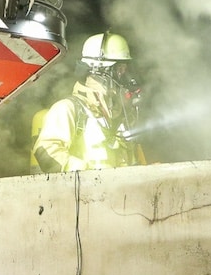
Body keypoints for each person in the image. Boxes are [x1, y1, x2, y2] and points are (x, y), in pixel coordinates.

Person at [32, 32, 145, 173]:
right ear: (100, 69)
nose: (124, 75)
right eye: (119, 69)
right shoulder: (68, 109)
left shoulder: (121, 116)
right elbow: (46, 152)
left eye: (125, 69)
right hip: (84, 194)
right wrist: (87, 174)